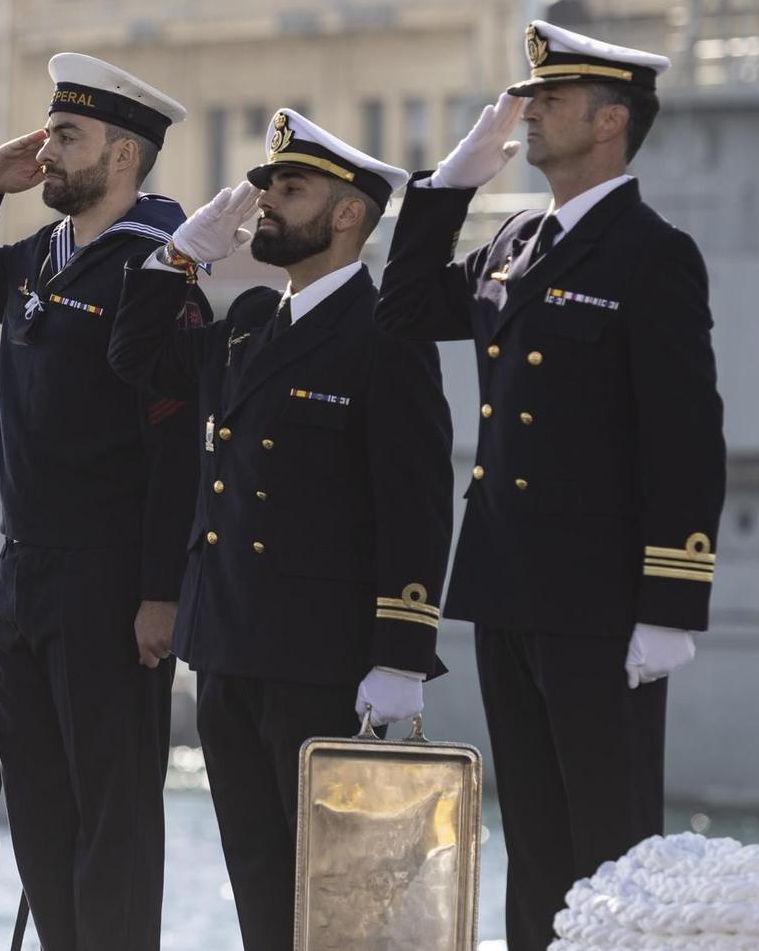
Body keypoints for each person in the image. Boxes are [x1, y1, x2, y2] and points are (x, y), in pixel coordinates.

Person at [374, 20, 727, 951]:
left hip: (600, 603)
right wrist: (449, 185)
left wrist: (671, 605)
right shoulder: (515, 244)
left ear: (611, 123)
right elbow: (404, 307)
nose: (527, 116)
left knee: (610, 846)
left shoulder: (652, 255)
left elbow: (686, 439)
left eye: (551, 101)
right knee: (529, 841)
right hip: (505, 588)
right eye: (527, 99)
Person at [108, 108, 454, 951]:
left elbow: (417, 500)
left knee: (343, 898)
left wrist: (401, 656)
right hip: (227, 648)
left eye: (290, 189)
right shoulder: (251, 323)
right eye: (265, 186)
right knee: (260, 881)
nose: (266, 203)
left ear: (346, 216)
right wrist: (178, 259)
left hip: (322, 662)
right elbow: (135, 355)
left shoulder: (386, 335)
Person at [0, 52, 206, 951]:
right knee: (39, 807)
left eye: (66, 138)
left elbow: (176, 444)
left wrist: (162, 590)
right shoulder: (44, 253)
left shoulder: (161, 266)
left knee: (112, 813)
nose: (45, 152)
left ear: (124, 155)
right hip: (23, 572)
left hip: (110, 581)